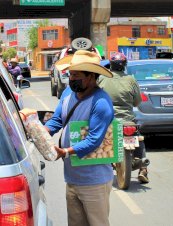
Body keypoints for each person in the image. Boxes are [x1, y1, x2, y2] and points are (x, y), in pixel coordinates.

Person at [44, 50, 114, 226]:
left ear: (91, 76)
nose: (71, 78)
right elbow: (58, 120)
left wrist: (65, 152)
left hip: (94, 181)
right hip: (72, 178)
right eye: (70, 74)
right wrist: (42, 132)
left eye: (76, 75)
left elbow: (94, 140)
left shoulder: (101, 102)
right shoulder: (68, 93)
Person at [97, 52, 150, 183]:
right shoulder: (131, 80)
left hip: (107, 120)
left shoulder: (102, 78)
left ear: (111, 65)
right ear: (124, 65)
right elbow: (137, 102)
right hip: (127, 120)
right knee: (139, 138)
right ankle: (143, 169)